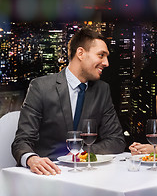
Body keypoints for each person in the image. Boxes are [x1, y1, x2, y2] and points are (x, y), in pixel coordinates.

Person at [12, 28, 126, 175]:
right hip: (48, 174)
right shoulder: (41, 87)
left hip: (88, 174)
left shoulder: (102, 90)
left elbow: (116, 141)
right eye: (101, 55)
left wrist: (82, 153)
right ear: (80, 53)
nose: (106, 63)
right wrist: (32, 159)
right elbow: (21, 141)